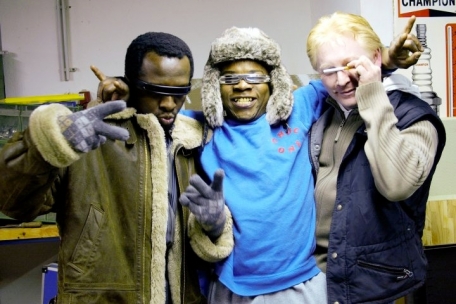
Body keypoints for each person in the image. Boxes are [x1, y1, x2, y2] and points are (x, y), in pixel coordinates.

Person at [94, 21, 421, 303]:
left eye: (254, 76)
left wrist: (389, 61)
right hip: (231, 285)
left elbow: (343, 80)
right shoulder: (201, 128)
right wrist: (127, 99)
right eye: (229, 79)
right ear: (213, 89)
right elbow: (156, 118)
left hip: (300, 283)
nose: (241, 85)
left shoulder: (301, 107)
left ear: (273, 82)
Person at [0, 32, 234, 304]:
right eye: (156, 91)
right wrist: (50, 144)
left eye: (178, 92)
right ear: (131, 85)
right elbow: (13, 203)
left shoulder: (193, 145)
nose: (169, 104)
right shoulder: (92, 138)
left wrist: (214, 227)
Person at [306, 12, 446, 303]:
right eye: (327, 71)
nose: (341, 79)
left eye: (350, 65)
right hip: (320, 278)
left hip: (380, 284)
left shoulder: (414, 115)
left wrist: (371, 89)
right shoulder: (325, 111)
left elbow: (397, 184)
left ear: (374, 58)